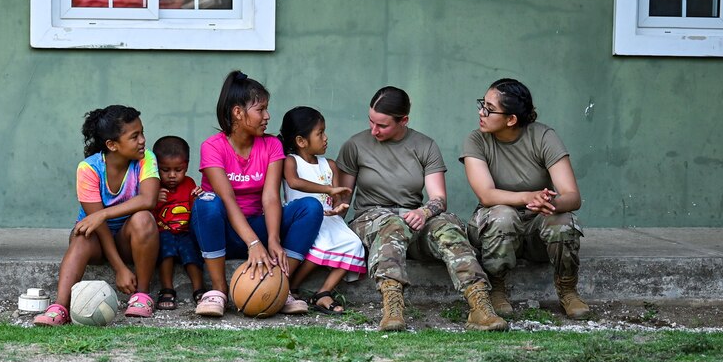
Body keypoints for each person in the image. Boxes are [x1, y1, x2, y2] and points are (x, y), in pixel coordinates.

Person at [337, 87, 507, 332]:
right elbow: (342, 200)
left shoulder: (424, 145)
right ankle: (392, 307)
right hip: (372, 218)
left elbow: (438, 198)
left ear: (404, 120)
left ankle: (480, 305)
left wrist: (423, 213)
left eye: (382, 125)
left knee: (447, 227)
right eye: (371, 121)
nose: (374, 130)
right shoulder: (355, 146)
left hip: (414, 218)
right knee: (391, 223)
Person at [190, 71, 322, 318]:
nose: (267, 116)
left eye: (266, 109)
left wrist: (271, 239)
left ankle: (280, 287)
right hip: (223, 232)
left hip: (258, 227)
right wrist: (253, 243)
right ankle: (218, 290)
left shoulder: (272, 145)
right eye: (260, 110)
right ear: (238, 113)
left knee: (310, 207)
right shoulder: (212, 146)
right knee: (207, 203)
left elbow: (271, 197)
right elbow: (227, 199)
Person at [460, 78, 589, 319]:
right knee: (503, 215)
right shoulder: (476, 140)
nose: (481, 112)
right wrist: (529, 197)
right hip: (494, 225)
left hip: (535, 227)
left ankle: (568, 288)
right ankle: (497, 288)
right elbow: (487, 195)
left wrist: (548, 203)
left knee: (562, 220)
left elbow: (572, 196)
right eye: (482, 104)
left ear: (511, 120)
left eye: (489, 108)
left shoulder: (543, 136)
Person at [34, 106, 160, 326]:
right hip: (96, 241)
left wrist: (103, 214)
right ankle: (60, 306)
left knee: (143, 218)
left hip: (128, 239)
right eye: (134, 136)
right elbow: (97, 226)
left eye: (142, 132)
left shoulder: (146, 159)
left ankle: (142, 296)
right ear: (112, 145)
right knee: (83, 234)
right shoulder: (89, 169)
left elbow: (148, 200)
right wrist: (120, 269)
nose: (142, 140)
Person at [278, 107, 366, 313]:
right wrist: (328, 189)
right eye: (320, 133)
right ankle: (292, 285)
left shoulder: (331, 165)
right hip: (304, 221)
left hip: (329, 220)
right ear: (301, 141)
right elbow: (294, 182)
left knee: (355, 245)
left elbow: (335, 199)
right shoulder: (291, 162)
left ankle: (323, 292)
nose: (326, 138)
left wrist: (339, 207)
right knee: (323, 243)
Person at [151, 135, 205, 310]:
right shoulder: (154, 186)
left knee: (191, 254)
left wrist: (197, 198)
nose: (172, 175)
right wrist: (155, 200)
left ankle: (199, 289)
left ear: (187, 166)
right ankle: (167, 288)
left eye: (178, 169)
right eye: (165, 170)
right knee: (165, 253)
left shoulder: (189, 183)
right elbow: (147, 215)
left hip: (185, 232)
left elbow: (194, 210)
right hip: (162, 233)